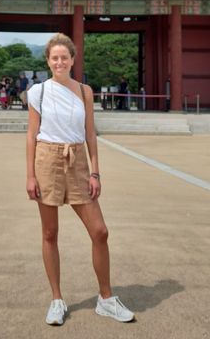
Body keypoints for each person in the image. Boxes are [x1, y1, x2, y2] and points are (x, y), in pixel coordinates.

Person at [26, 33, 134, 326]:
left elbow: (90, 135)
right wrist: (30, 175)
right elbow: (31, 135)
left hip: (78, 162)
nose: (59, 62)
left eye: (64, 57)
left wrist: (95, 171)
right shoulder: (39, 92)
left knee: (100, 231)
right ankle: (57, 299)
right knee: (50, 234)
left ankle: (106, 298)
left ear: (73, 60)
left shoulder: (85, 92)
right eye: (54, 58)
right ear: (48, 61)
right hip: (47, 159)